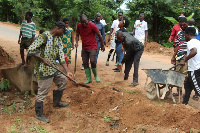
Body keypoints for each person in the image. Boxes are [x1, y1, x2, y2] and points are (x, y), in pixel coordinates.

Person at [27, 21, 73, 123]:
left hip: (53, 68)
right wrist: (43, 59)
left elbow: (61, 57)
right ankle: (39, 114)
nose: (63, 33)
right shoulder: (44, 37)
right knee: (43, 92)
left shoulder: (58, 40)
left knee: (63, 81)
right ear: (57, 28)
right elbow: (30, 50)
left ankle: (56, 103)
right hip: (43, 70)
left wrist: (68, 71)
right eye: (63, 31)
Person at [76, 14, 105, 84]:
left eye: (85, 22)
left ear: (87, 19)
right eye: (82, 22)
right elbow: (77, 34)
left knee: (92, 61)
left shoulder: (92, 25)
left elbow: (99, 35)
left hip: (93, 46)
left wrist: (102, 44)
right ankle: (89, 78)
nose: (84, 24)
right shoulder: (79, 26)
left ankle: (95, 76)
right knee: (85, 62)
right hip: (84, 47)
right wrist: (76, 42)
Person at [180, 27, 200, 105]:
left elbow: (194, 51)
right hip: (196, 67)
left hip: (195, 69)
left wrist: (185, 60)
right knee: (187, 86)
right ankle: (184, 104)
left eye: (185, 35)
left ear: (188, 35)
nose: (185, 37)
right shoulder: (198, 42)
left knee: (198, 89)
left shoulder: (190, 42)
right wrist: (187, 57)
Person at [171, 17, 188, 96]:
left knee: (185, 76)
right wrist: (174, 56)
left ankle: (187, 92)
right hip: (179, 57)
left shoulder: (190, 33)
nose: (182, 27)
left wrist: (185, 59)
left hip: (186, 58)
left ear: (186, 23)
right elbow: (177, 46)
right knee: (178, 75)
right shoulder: (179, 33)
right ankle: (179, 91)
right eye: (181, 25)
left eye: (183, 25)